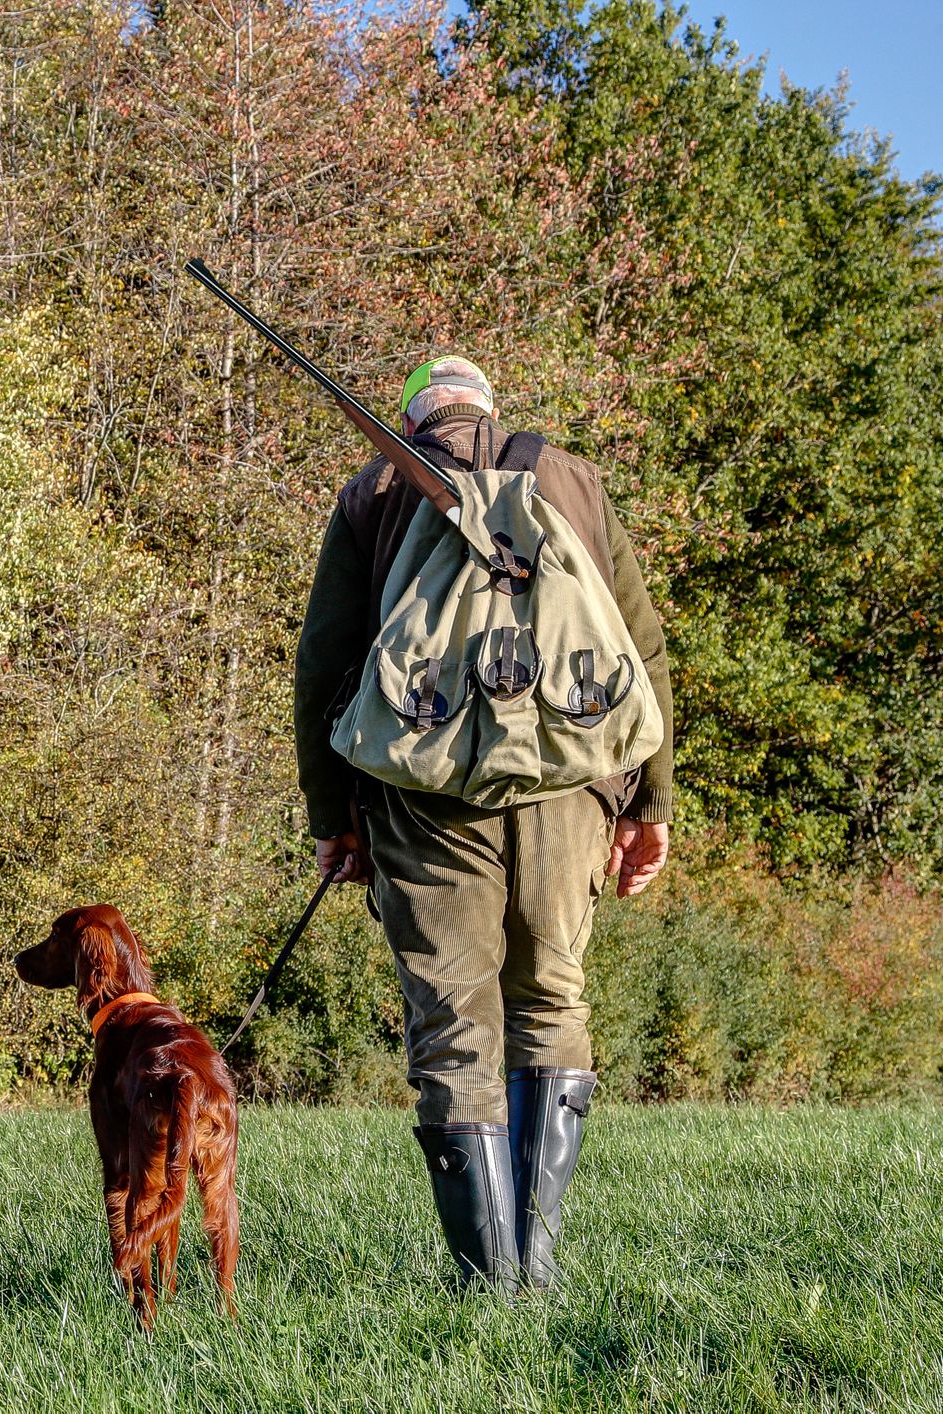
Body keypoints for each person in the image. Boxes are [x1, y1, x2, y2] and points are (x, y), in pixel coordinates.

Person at [291, 356, 674, 1291]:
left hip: (421, 798)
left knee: (455, 1026)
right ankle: (534, 1267)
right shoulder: (570, 479)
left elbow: (323, 662)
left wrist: (331, 815)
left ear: (417, 417)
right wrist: (648, 802)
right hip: (567, 788)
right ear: (490, 412)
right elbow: (638, 642)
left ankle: (485, 1282)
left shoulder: (374, 491)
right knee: (549, 999)